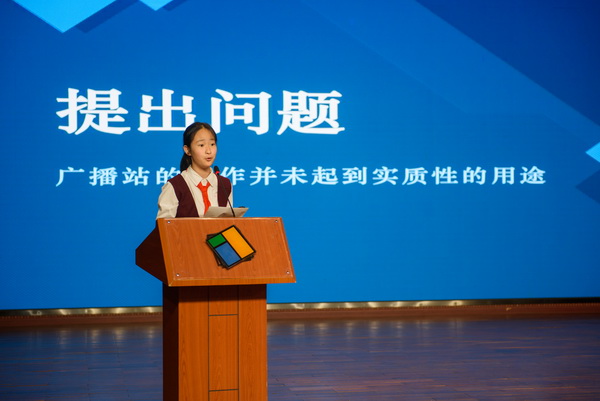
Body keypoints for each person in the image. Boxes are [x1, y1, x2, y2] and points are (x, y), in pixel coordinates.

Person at [157, 122, 232, 218]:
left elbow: (228, 222)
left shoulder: (225, 184)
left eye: (212, 144)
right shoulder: (175, 186)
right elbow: (164, 225)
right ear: (187, 150)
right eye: (201, 145)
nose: (208, 151)